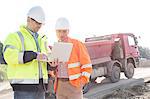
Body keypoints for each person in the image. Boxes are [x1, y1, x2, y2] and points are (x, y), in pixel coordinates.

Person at [3, 6, 58, 99]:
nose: (39, 25)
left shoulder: (42, 40)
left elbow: (43, 64)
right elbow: (9, 56)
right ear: (28, 19)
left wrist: (52, 64)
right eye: (37, 22)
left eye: (41, 23)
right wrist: (34, 55)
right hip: (23, 89)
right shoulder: (15, 36)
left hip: (41, 88)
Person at [54, 17, 93, 99]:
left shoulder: (77, 44)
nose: (61, 34)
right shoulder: (55, 47)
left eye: (64, 31)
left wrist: (82, 82)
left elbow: (87, 65)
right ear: (56, 32)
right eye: (59, 31)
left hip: (74, 85)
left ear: (68, 31)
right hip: (60, 86)